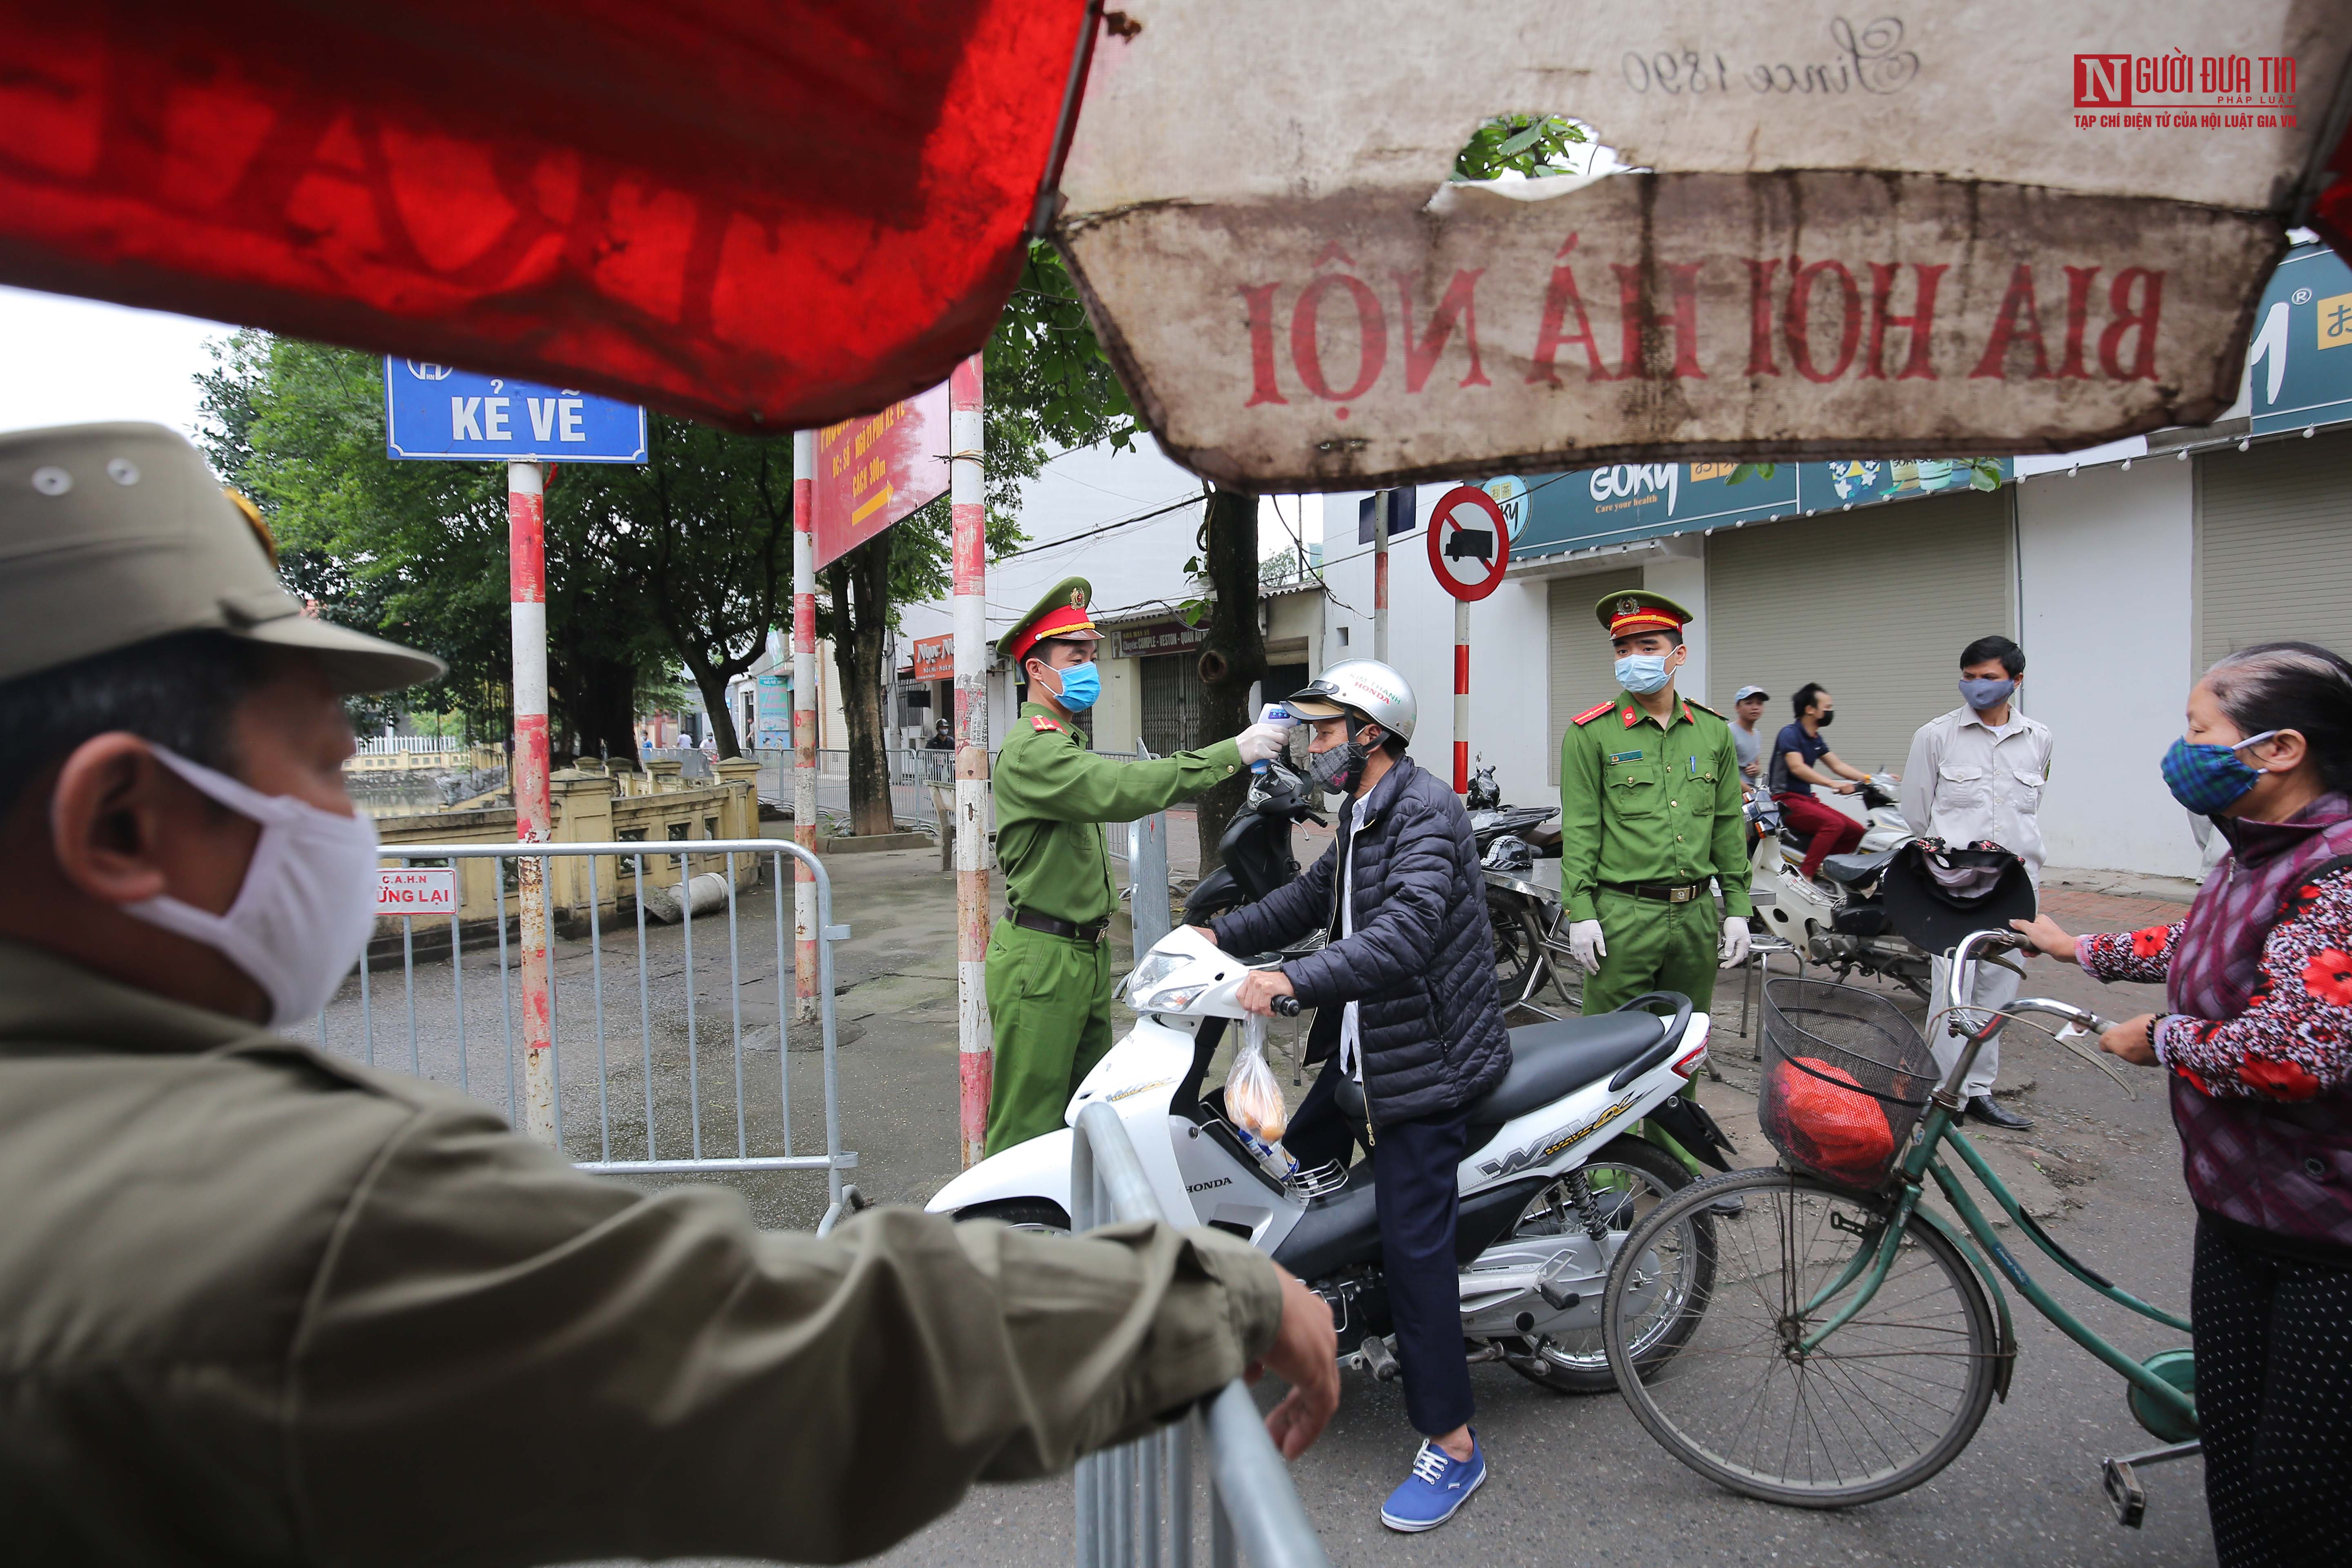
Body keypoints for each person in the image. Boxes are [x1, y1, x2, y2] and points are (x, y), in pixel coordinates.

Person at [0, 424, 1338, 1561]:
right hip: (1038, 959)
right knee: (1030, 1147)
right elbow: (793, 1354)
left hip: (1069, 949)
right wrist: (1193, 1294)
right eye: (325, 775)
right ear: (118, 824)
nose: (350, 833)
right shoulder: (280, 1213)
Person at [2011, 641, 2352, 1567]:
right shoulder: (2251, 849)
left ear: (2277, 748)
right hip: (2237, 1213)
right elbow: (2199, 938)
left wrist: (2152, 1038)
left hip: (2327, 1242)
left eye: (2199, 729)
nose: (2181, 748)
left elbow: (2300, 1046)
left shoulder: (2334, 869)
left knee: (2301, 1490)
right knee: (2233, 1466)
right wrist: (2076, 950)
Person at [1189, 660, 1510, 1533]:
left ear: (1373, 734)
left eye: (1326, 732)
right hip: (1371, 1056)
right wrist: (1210, 934)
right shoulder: (1366, 813)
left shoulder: (1427, 814)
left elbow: (1404, 938)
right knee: (1283, 1170)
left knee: (1415, 1250)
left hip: (1426, 1071)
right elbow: (1305, 897)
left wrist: (1285, 983)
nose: (1314, 747)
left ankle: (1453, 1445)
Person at [985, 577, 1287, 1154]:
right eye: (1075, 657)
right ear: (1037, 672)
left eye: (1091, 655)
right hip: (1042, 961)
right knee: (1025, 1132)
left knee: (1085, 1121)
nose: (1087, 667)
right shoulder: (1034, 750)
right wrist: (1234, 752)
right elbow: (1122, 788)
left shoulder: (1063, 742)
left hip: (1082, 954)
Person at [1559, 590, 1754, 1017]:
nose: (1634, 658)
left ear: (1679, 654)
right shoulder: (1590, 734)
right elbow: (1580, 828)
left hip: (1697, 917)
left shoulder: (1712, 732)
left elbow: (1726, 824)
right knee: (1609, 1052)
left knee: (1683, 1044)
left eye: (1649, 647)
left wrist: (1738, 908)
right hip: (1623, 918)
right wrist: (1581, 911)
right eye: (1623, 649)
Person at [1901, 635, 2052, 1130]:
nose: (1977, 686)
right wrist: (1948, 863)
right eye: (1970, 676)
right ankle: (1946, 1094)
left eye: (1989, 677)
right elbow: (1917, 813)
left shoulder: (2039, 739)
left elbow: (2028, 813)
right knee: (1952, 992)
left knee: (1998, 990)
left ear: (2016, 681)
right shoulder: (1936, 736)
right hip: (1953, 888)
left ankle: (1980, 1089)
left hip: (2015, 888)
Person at [1770, 682, 1875, 880]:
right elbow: (1797, 767)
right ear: (1810, 709)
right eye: (1827, 708)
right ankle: (1807, 875)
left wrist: (1872, 780)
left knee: (1857, 832)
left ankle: (1827, 869)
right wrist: (1831, 784)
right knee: (1833, 824)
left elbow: (1838, 766)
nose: (1831, 711)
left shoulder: (1815, 738)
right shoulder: (1790, 733)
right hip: (1785, 800)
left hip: (1806, 800)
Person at [1729, 684, 1770, 783]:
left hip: (1751, 791)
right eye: (1749, 703)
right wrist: (1750, 792)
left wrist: (1757, 769)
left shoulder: (1757, 734)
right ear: (1737, 708)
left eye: (1759, 703)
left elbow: (1756, 763)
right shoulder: (1730, 732)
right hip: (1735, 794)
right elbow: (1724, 772)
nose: (1755, 708)